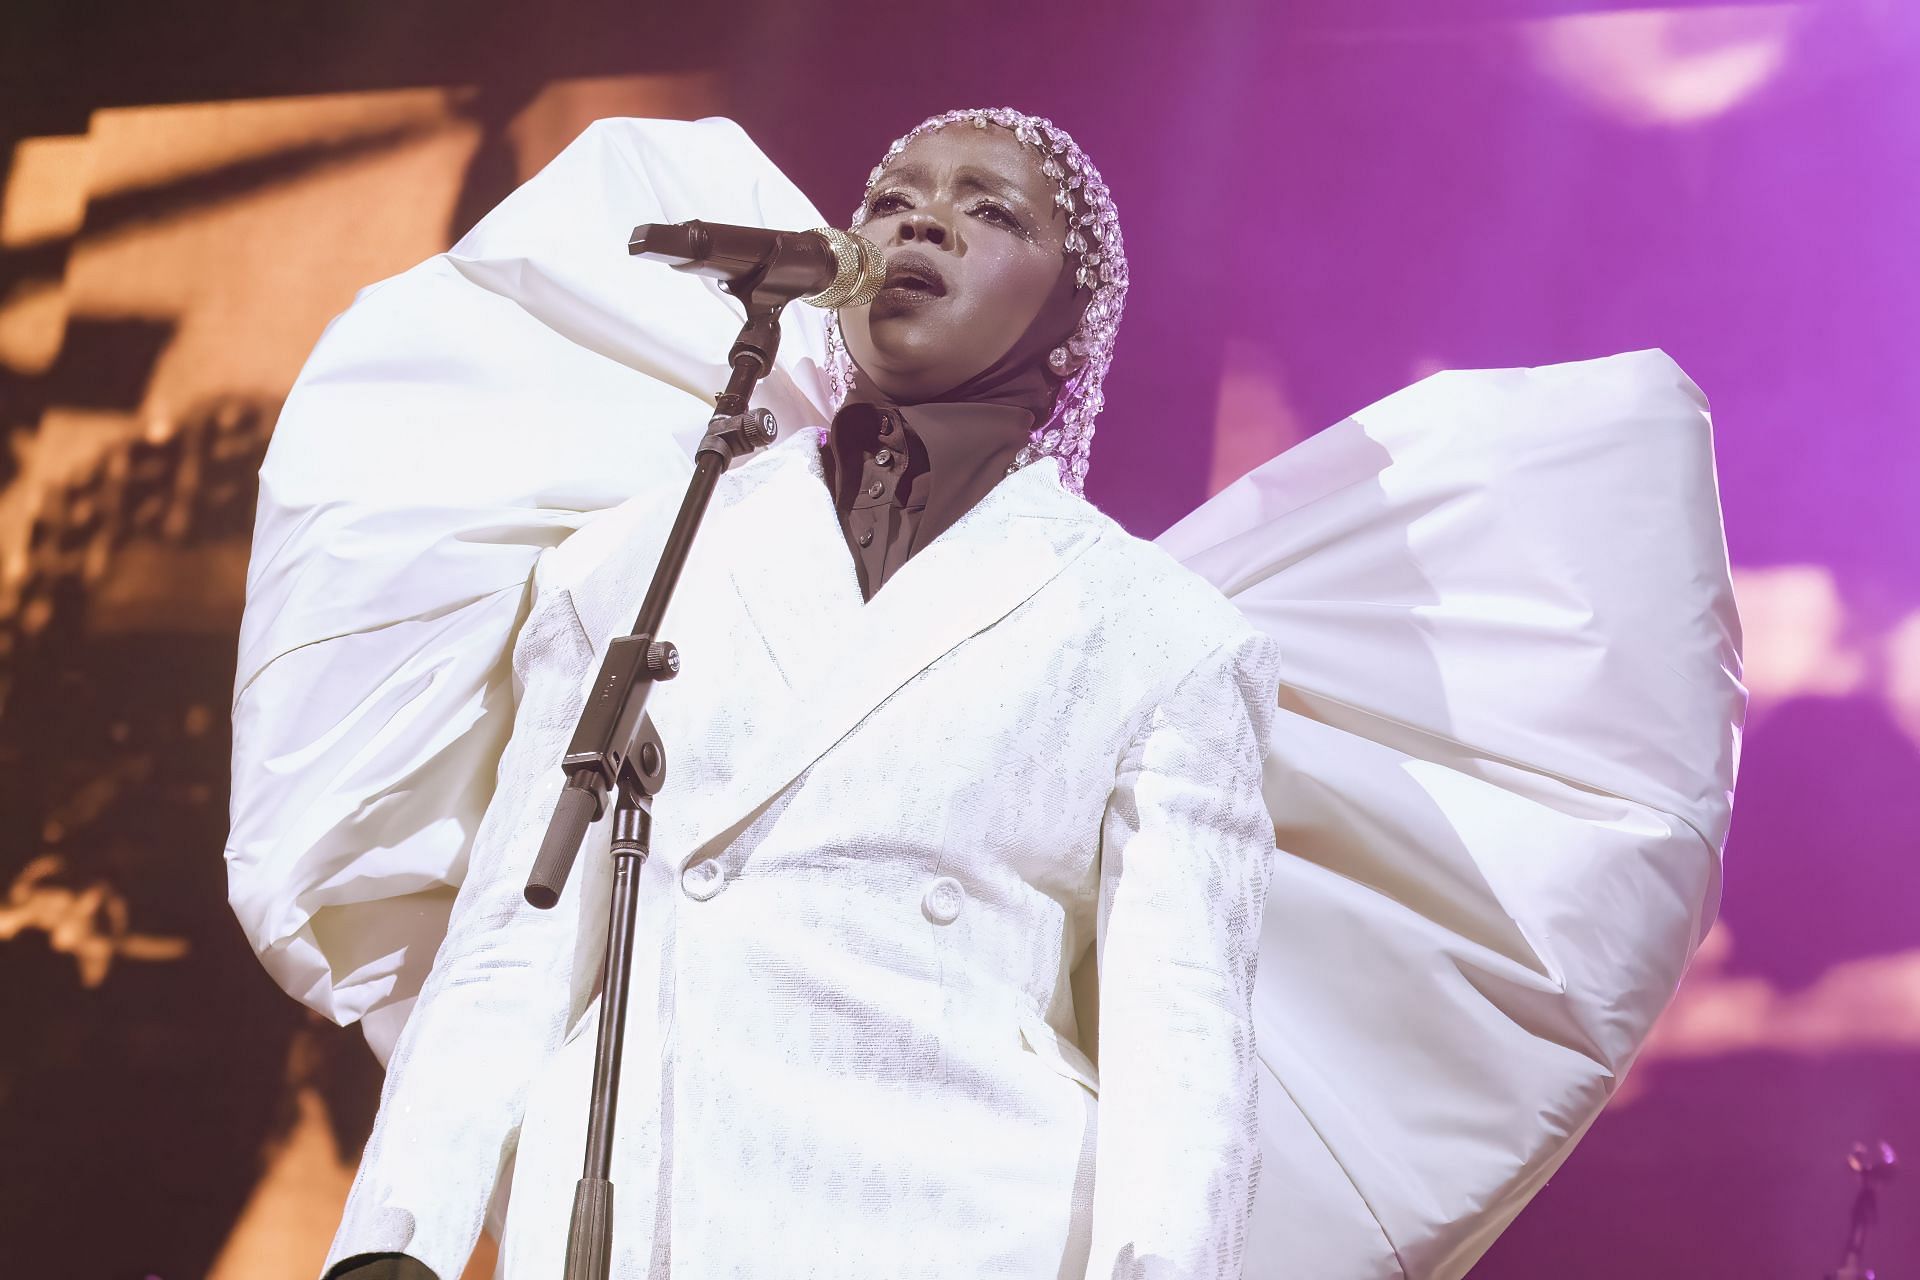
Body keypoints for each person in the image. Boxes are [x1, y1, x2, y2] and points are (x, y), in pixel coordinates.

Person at [228, 110, 1745, 1280]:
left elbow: (1180, 1044)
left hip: (956, 1218)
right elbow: (516, 939)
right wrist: (401, 1238)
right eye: (890, 201)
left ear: (1069, 304)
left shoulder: (1157, 632)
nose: (915, 225)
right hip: (641, 1201)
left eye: (984, 209)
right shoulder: (644, 554)